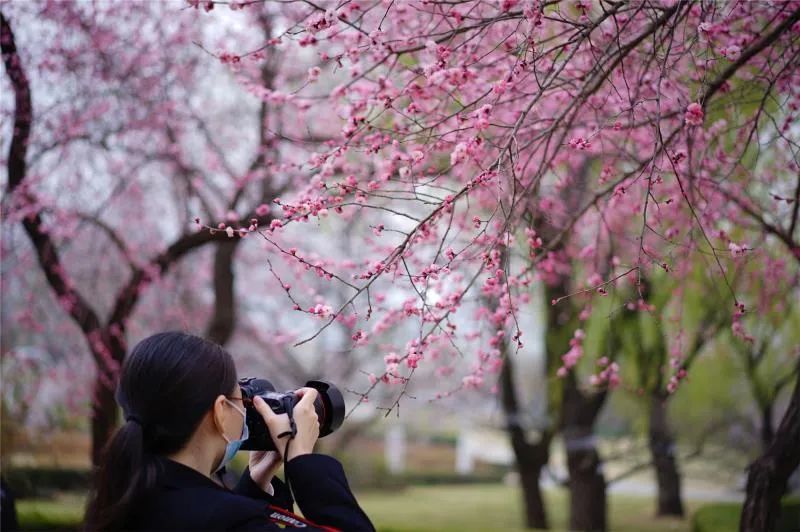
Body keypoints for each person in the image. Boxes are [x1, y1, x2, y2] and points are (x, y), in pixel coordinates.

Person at [84, 331, 374, 531]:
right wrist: (301, 460)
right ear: (222, 412)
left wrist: (255, 486)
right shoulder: (228, 519)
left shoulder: (123, 501)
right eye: (241, 400)